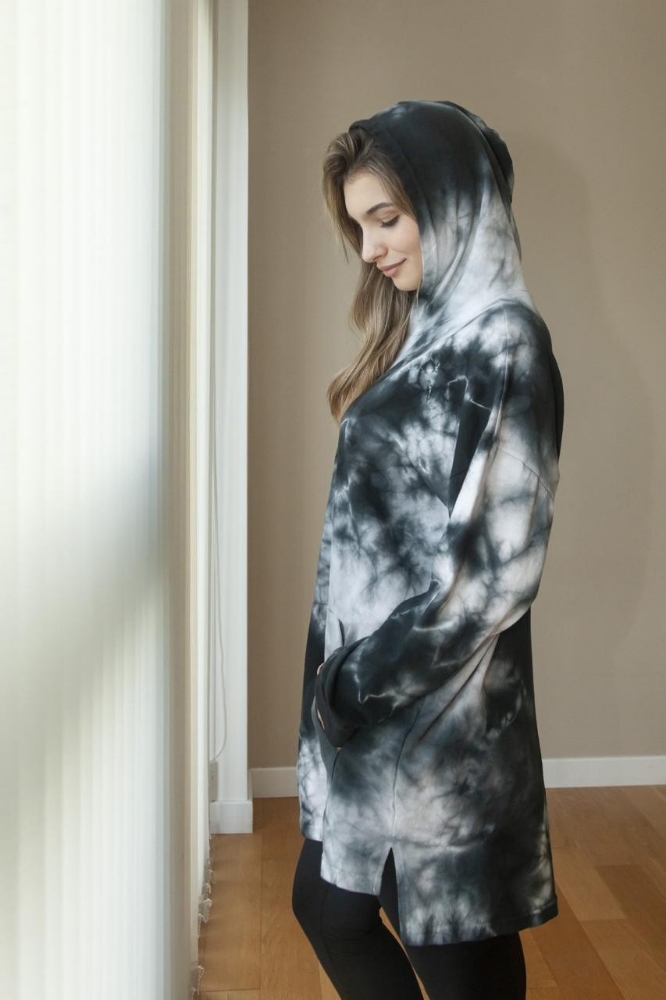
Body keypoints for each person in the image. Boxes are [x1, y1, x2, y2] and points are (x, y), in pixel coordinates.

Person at [291, 99, 564, 1000]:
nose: (370, 249)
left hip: (435, 717)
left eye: (387, 219)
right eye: (360, 227)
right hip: (372, 712)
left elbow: (494, 577)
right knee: (332, 908)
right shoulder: (426, 327)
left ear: (452, 203)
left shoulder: (506, 341)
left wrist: (355, 683)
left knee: (451, 948)